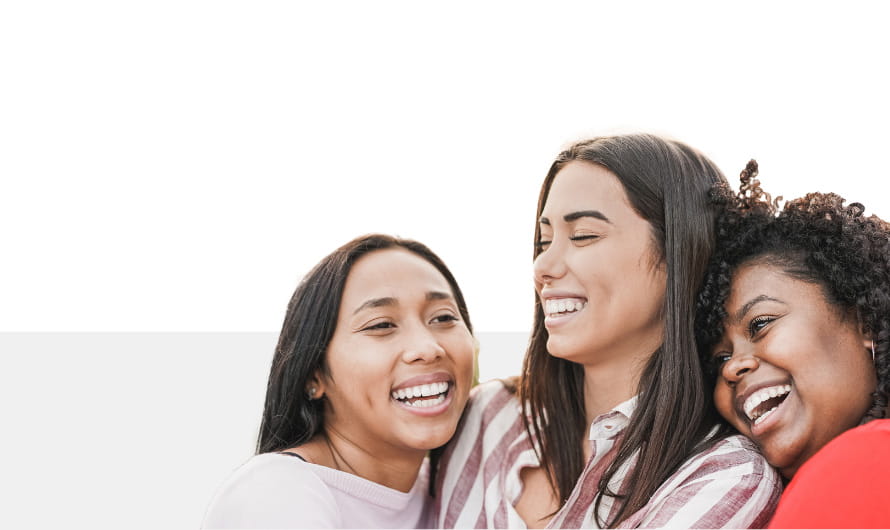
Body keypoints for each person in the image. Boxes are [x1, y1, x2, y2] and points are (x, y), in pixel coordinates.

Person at [436, 135, 782, 529]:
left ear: (678, 256)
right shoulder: (486, 415)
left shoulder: (722, 476)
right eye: (544, 241)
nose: (543, 266)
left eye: (583, 236)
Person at [202, 234, 477, 528]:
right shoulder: (277, 492)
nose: (428, 348)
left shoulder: (466, 494)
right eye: (381, 324)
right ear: (313, 375)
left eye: (444, 318)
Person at [695, 161, 890, 528]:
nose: (732, 367)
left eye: (761, 324)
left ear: (863, 320)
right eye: (720, 357)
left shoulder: (865, 461)